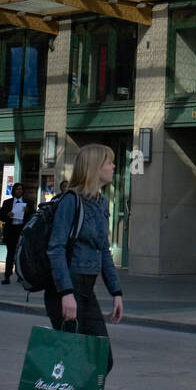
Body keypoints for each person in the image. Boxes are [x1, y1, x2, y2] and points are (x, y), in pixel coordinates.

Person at [44, 144, 123, 373]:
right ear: (95, 168)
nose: (113, 166)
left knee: (101, 359)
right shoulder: (70, 201)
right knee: (69, 363)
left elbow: (103, 251)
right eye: (109, 162)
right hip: (67, 289)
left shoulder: (101, 203)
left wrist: (116, 293)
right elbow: (55, 248)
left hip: (87, 290)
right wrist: (66, 293)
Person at [0, 182, 35, 284]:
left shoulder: (27, 202)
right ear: (13, 191)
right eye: (17, 189)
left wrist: (27, 211)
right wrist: (7, 215)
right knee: (10, 254)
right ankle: (7, 276)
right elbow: (0, 216)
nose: (19, 191)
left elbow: (33, 216)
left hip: (22, 230)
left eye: (21, 189)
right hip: (11, 230)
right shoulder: (7, 203)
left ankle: (21, 275)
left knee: (22, 254)